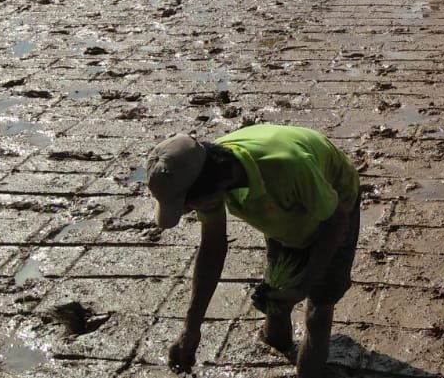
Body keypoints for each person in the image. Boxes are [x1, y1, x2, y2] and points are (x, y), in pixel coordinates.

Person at [146, 124, 361, 377]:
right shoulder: (205, 169)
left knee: (319, 308)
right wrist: (191, 328)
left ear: (213, 190)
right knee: (276, 288)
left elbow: (336, 222)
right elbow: (212, 249)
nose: (190, 211)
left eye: (189, 206)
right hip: (279, 205)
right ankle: (276, 341)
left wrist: (304, 286)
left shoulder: (289, 167)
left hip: (334, 201)